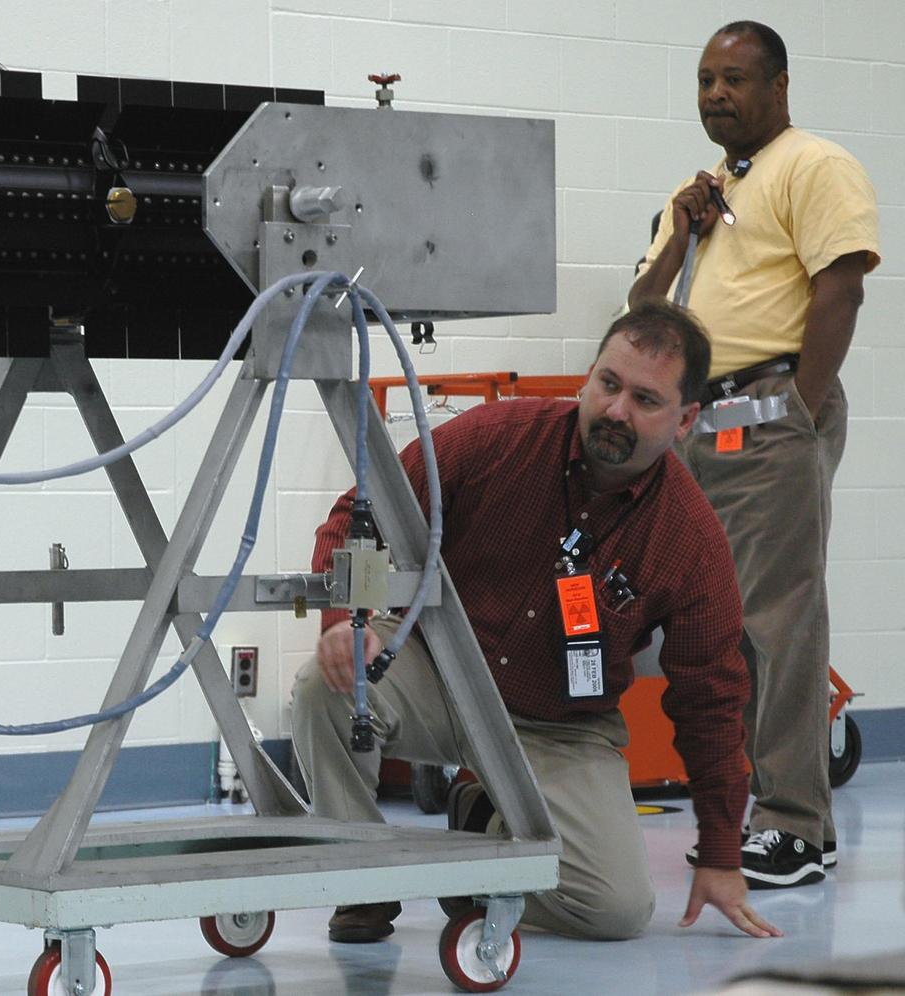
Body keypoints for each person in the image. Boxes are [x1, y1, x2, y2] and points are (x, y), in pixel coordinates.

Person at [292, 301, 781, 944]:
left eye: (645, 400)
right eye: (608, 384)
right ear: (588, 377)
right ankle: (362, 881)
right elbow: (360, 513)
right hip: (439, 672)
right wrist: (346, 622)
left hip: (560, 727)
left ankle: (483, 838)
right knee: (324, 687)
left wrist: (720, 852)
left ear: (685, 419)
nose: (616, 410)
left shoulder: (690, 541)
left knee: (616, 909)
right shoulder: (496, 439)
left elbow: (711, 702)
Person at [630, 21, 880, 889]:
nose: (716, 95)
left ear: (779, 86)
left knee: (777, 622)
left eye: (734, 79)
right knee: (721, 628)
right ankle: (769, 816)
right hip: (703, 425)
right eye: (705, 80)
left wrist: (799, 411)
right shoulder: (699, 194)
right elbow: (644, 310)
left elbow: (840, 289)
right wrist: (679, 234)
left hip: (770, 416)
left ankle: (795, 826)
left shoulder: (813, 165)